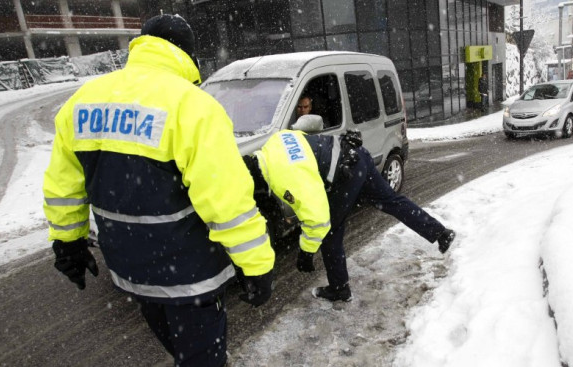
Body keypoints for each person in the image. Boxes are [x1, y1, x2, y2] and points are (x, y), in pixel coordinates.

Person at [42, 14, 275, 367]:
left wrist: (67, 240)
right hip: (190, 274)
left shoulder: (83, 100)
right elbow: (227, 201)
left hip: (132, 270)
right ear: (187, 53)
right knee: (202, 360)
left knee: (183, 352)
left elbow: (65, 185)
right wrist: (256, 266)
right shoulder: (192, 106)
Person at [242, 118, 456, 302]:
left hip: (346, 175)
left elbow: (318, 219)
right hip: (356, 154)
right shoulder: (276, 140)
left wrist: (306, 252)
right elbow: (310, 131)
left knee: (330, 231)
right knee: (392, 201)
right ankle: (440, 233)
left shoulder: (285, 180)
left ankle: (339, 289)